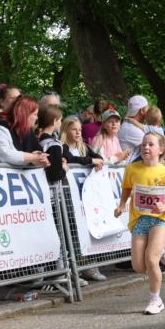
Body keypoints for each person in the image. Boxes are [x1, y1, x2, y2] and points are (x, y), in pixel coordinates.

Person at [114, 132, 165, 315]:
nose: (146, 147)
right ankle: (162, 252)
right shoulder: (132, 169)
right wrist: (122, 204)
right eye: (144, 144)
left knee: (151, 259)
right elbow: (127, 187)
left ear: (160, 150)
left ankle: (155, 299)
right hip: (139, 219)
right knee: (138, 265)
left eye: (151, 144)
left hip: (160, 220)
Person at [59, 115, 108, 284]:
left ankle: (89, 267)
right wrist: (90, 161)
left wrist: (96, 160)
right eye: (74, 129)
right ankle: (73, 271)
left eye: (80, 130)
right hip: (67, 196)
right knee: (72, 232)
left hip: (84, 198)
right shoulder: (63, 147)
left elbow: (98, 157)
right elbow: (71, 160)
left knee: (86, 231)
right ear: (66, 130)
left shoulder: (83, 147)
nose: (78, 133)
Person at [0, 95, 50, 167]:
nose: (37, 118)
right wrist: (33, 157)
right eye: (35, 114)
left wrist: (38, 155)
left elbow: (35, 149)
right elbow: (3, 154)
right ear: (25, 115)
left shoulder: (26, 131)